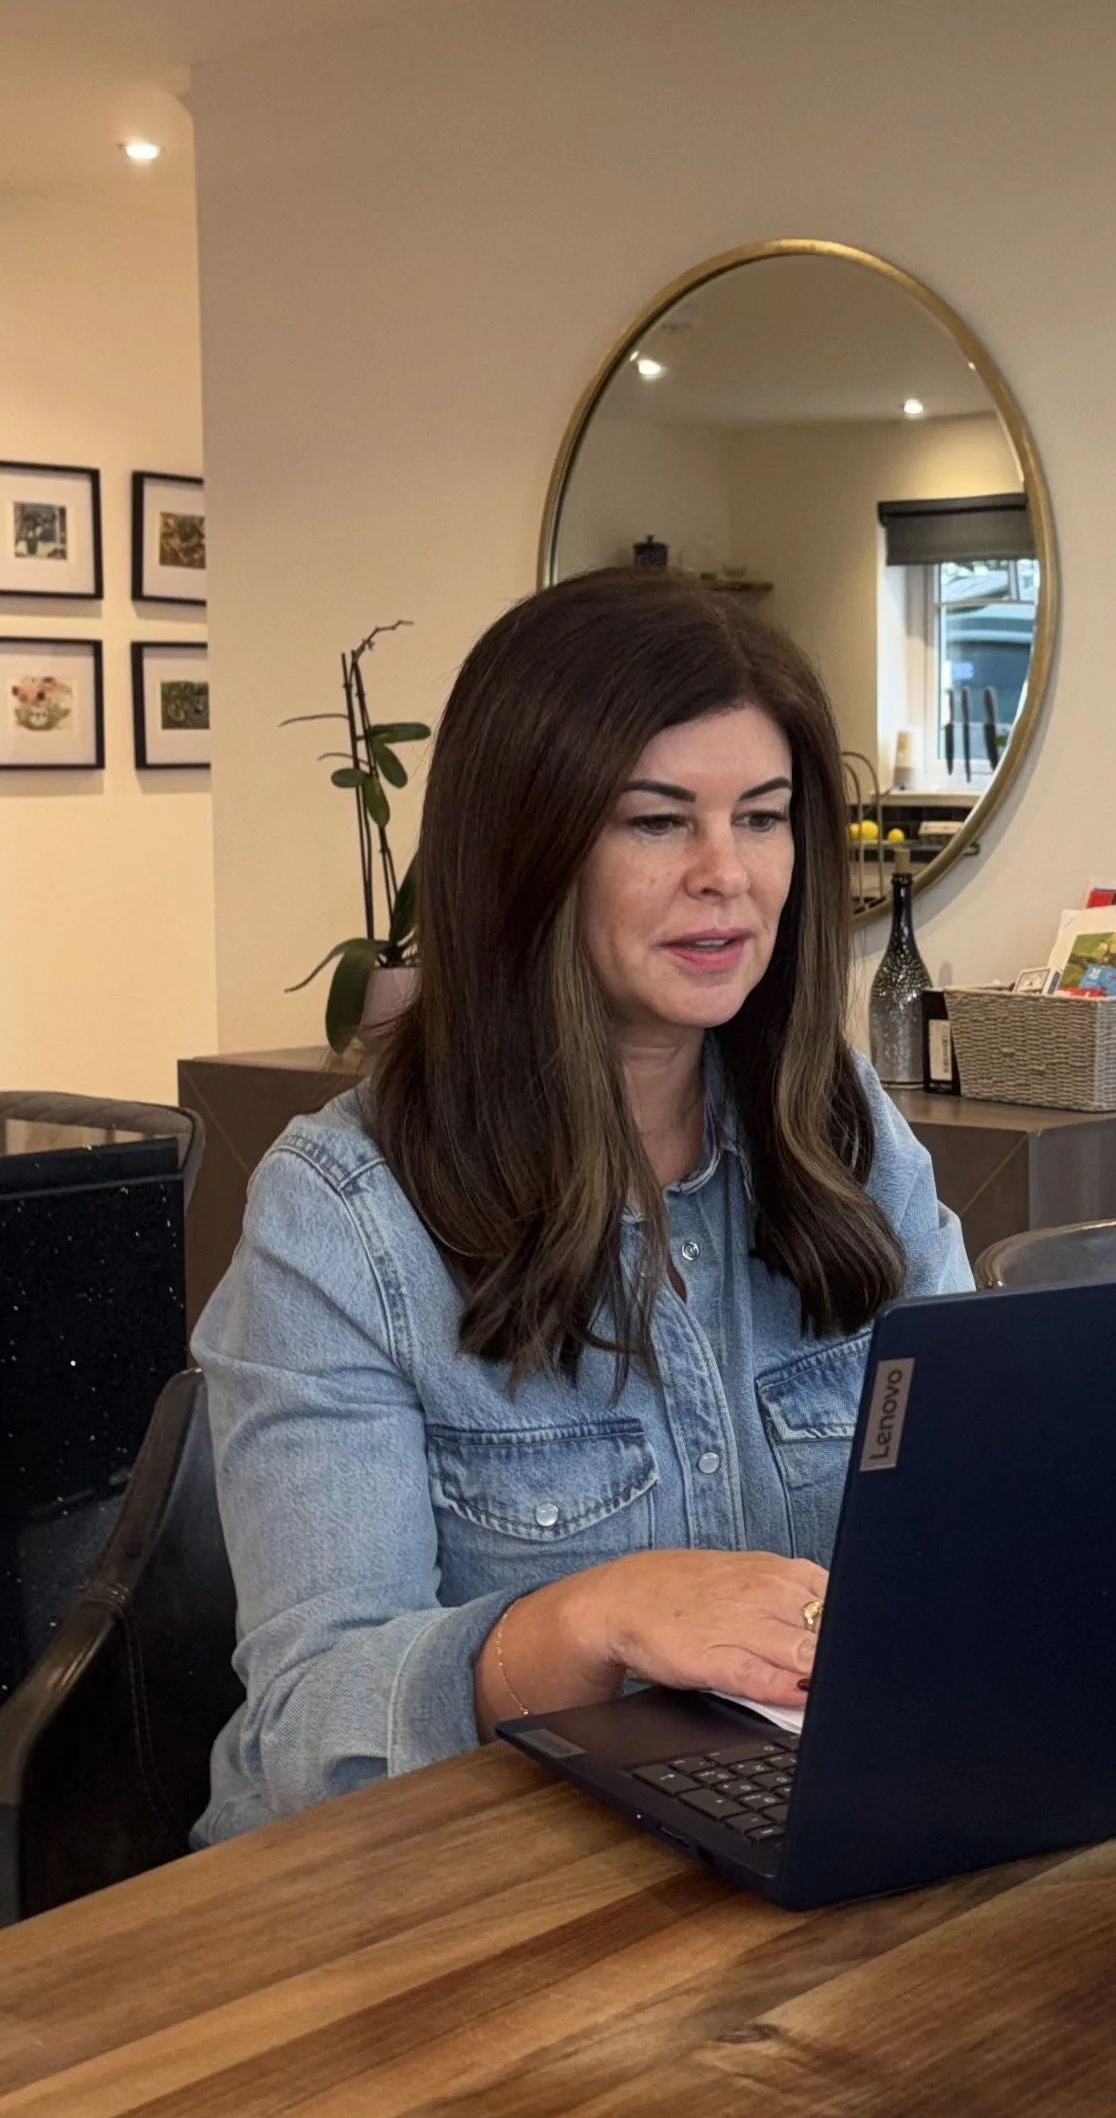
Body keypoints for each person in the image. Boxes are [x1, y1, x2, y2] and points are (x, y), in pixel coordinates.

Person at [195, 572, 968, 1839]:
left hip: (771, 1854)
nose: (729, 877)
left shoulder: (845, 1136)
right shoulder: (343, 1215)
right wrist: (583, 1624)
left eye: (763, 818)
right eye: (658, 823)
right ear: (530, 846)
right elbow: (300, 1735)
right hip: (441, 1907)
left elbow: (974, 1523)